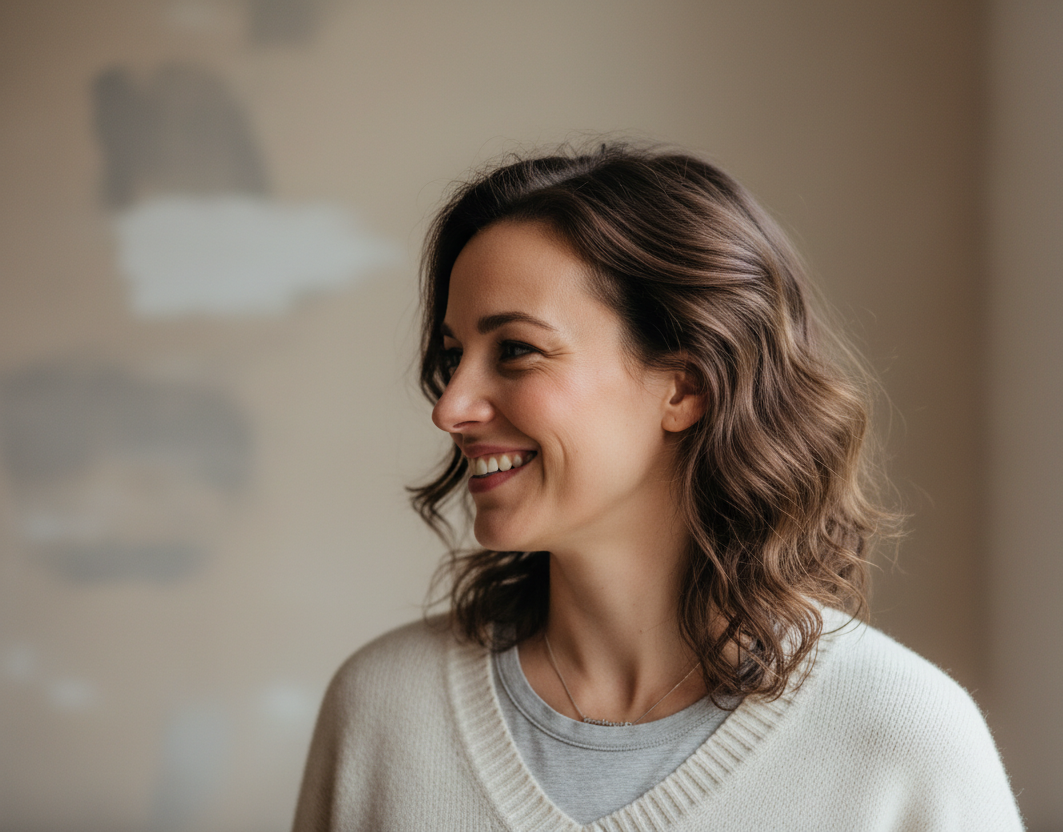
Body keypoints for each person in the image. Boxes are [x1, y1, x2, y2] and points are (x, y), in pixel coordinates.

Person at [292, 144, 1025, 831]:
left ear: (686, 385)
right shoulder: (383, 711)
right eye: (454, 357)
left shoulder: (899, 735)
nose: (450, 406)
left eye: (515, 350)